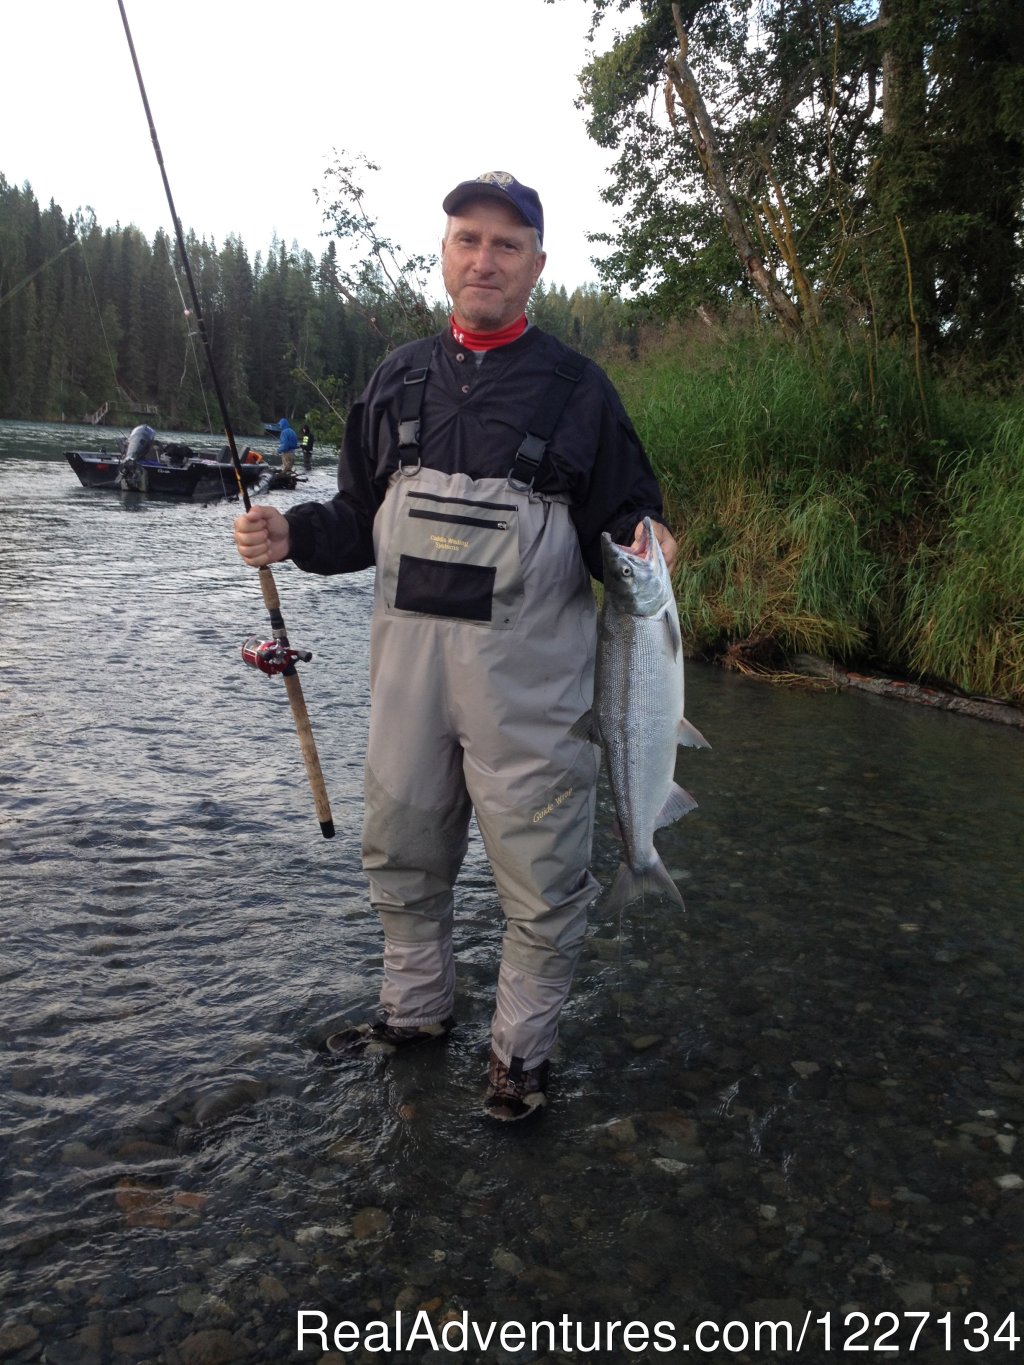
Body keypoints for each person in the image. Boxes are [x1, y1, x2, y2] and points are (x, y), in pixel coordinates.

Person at [233, 171, 677, 1122]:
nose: (485, 258)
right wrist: (292, 535)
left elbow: (631, 518)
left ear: (538, 266)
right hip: (407, 684)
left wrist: (652, 538)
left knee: (544, 885)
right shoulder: (396, 377)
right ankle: (416, 1013)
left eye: (506, 245)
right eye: (468, 239)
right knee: (401, 856)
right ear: (444, 254)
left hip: (533, 694)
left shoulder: (579, 391)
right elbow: (356, 518)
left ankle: (519, 1060)